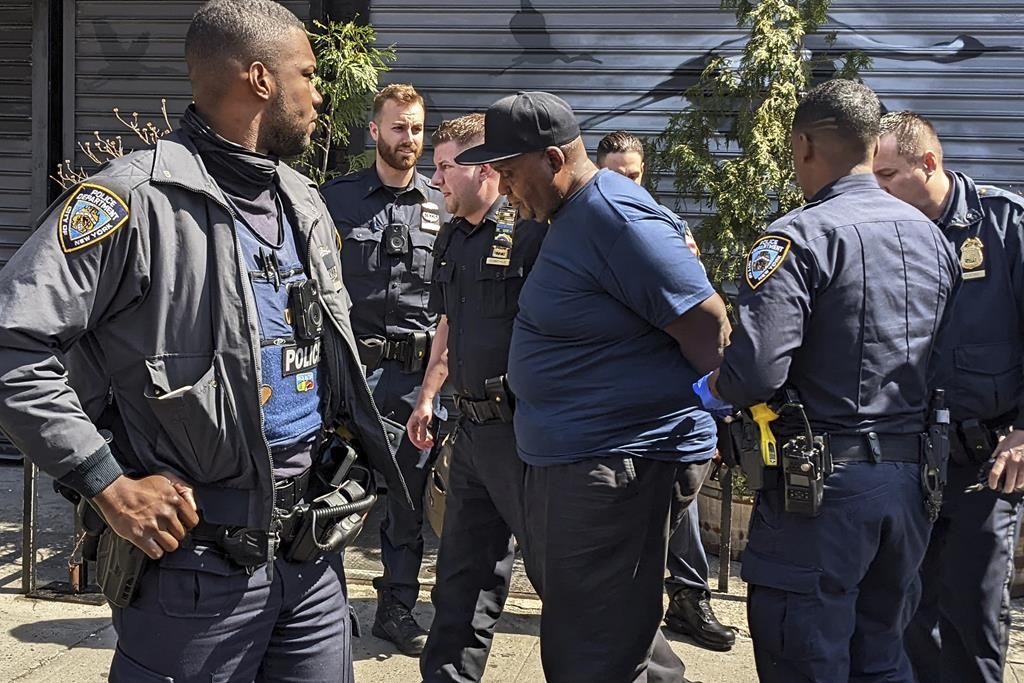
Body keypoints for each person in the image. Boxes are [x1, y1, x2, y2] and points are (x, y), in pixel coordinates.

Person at [0, 1, 409, 681]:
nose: (320, 93)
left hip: (311, 563)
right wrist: (107, 484)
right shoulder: (132, 201)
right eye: (307, 74)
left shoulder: (302, 200)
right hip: (193, 574)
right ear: (259, 79)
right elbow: (14, 346)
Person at [458, 91, 730, 683]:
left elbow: (710, 326)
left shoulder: (614, 215)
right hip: (587, 459)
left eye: (510, 173)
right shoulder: (569, 215)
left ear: (554, 159)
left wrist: (703, 417)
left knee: (591, 653)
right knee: (612, 635)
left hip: (619, 464)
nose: (505, 189)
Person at [708, 80, 960, 682]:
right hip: (911, 487)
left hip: (821, 496)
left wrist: (711, 391)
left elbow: (757, 371)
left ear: (803, 145)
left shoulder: (798, 237)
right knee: (881, 657)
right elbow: (948, 358)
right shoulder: (933, 236)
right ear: (874, 148)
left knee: (806, 658)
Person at [874, 111, 1024, 683]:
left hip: (985, 461)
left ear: (928, 163)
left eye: (887, 174)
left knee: (974, 613)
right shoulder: (883, 231)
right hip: (907, 456)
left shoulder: (1003, 224)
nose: (877, 187)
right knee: (908, 612)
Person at [405, 112, 547, 683]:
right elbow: (448, 325)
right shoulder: (452, 237)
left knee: (560, 574)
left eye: (443, 168)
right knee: (460, 578)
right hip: (468, 431)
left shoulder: (531, 234)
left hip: (522, 437)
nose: (434, 180)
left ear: (482, 168)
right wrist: (427, 396)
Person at [321, 83, 448, 656]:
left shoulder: (443, 202)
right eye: (399, 127)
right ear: (375, 131)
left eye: (417, 128)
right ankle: (328, 607)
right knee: (329, 491)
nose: (410, 138)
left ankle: (396, 607)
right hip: (349, 376)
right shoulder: (336, 200)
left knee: (407, 499)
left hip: (414, 382)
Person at [597, 129, 735, 652]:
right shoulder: (584, 224)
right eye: (616, 174)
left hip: (669, 390)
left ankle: (688, 598)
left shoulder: (667, 226)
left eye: (634, 175)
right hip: (613, 391)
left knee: (681, 493)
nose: (627, 183)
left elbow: (695, 306)